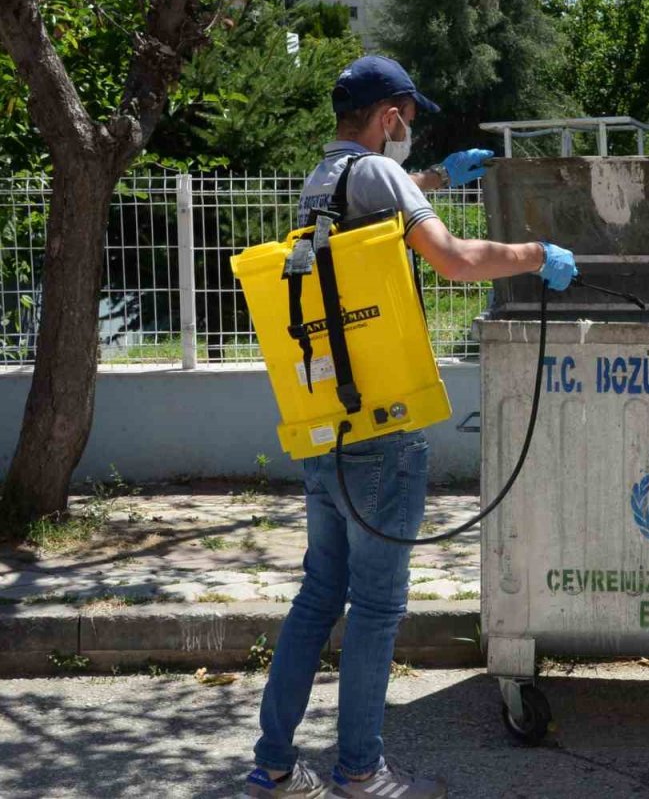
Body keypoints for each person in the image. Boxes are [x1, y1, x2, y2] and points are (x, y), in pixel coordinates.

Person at [243, 56, 577, 799]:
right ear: (389, 115)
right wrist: (536, 254)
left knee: (317, 599)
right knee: (378, 609)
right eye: (410, 119)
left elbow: (376, 222)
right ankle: (360, 771)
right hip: (384, 436)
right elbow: (455, 260)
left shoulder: (321, 181)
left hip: (328, 427)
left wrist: (435, 180)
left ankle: (271, 765)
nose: (411, 132)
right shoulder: (378, 175)